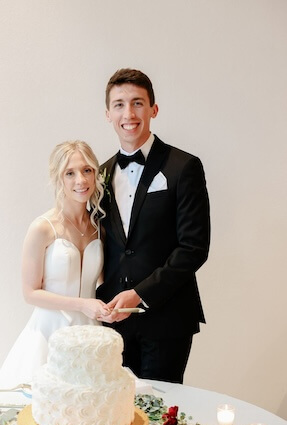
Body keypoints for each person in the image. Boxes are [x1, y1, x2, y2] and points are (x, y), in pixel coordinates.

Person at [96, 68, 210, 383]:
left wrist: (140, 294)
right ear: (108, 114)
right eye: (119, 104)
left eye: (137, 103)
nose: (128, 113)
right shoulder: (100, 174)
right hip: (114, 323)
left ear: (153, 109)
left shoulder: (183, 167)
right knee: (117, 419)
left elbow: (194, 248)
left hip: (167, 318)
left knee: (159, 419)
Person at [0, 140, 110, 386]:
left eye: (87, 170)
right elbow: (30, 293)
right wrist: (82, 305)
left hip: (91, 332)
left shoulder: (100, 227)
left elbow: (102, 281)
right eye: (70, 173)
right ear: (59, 179)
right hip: (49, 333)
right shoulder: (42, 228)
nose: (81, 180)